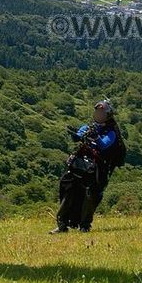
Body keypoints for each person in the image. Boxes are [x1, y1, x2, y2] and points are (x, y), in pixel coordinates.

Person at [50, 99, 123, 234]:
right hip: (79, 164)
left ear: (107, 115)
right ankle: (62, 225)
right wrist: (75, 134)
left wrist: (96, 136)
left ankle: (84, 226)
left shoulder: (111, 132)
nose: (98, 115)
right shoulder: (88, 126)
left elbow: (104, 145)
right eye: (97, 112)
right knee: (68, 190)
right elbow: (79, 135)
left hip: (96, 168)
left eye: (102, 113)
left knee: (90, 195)